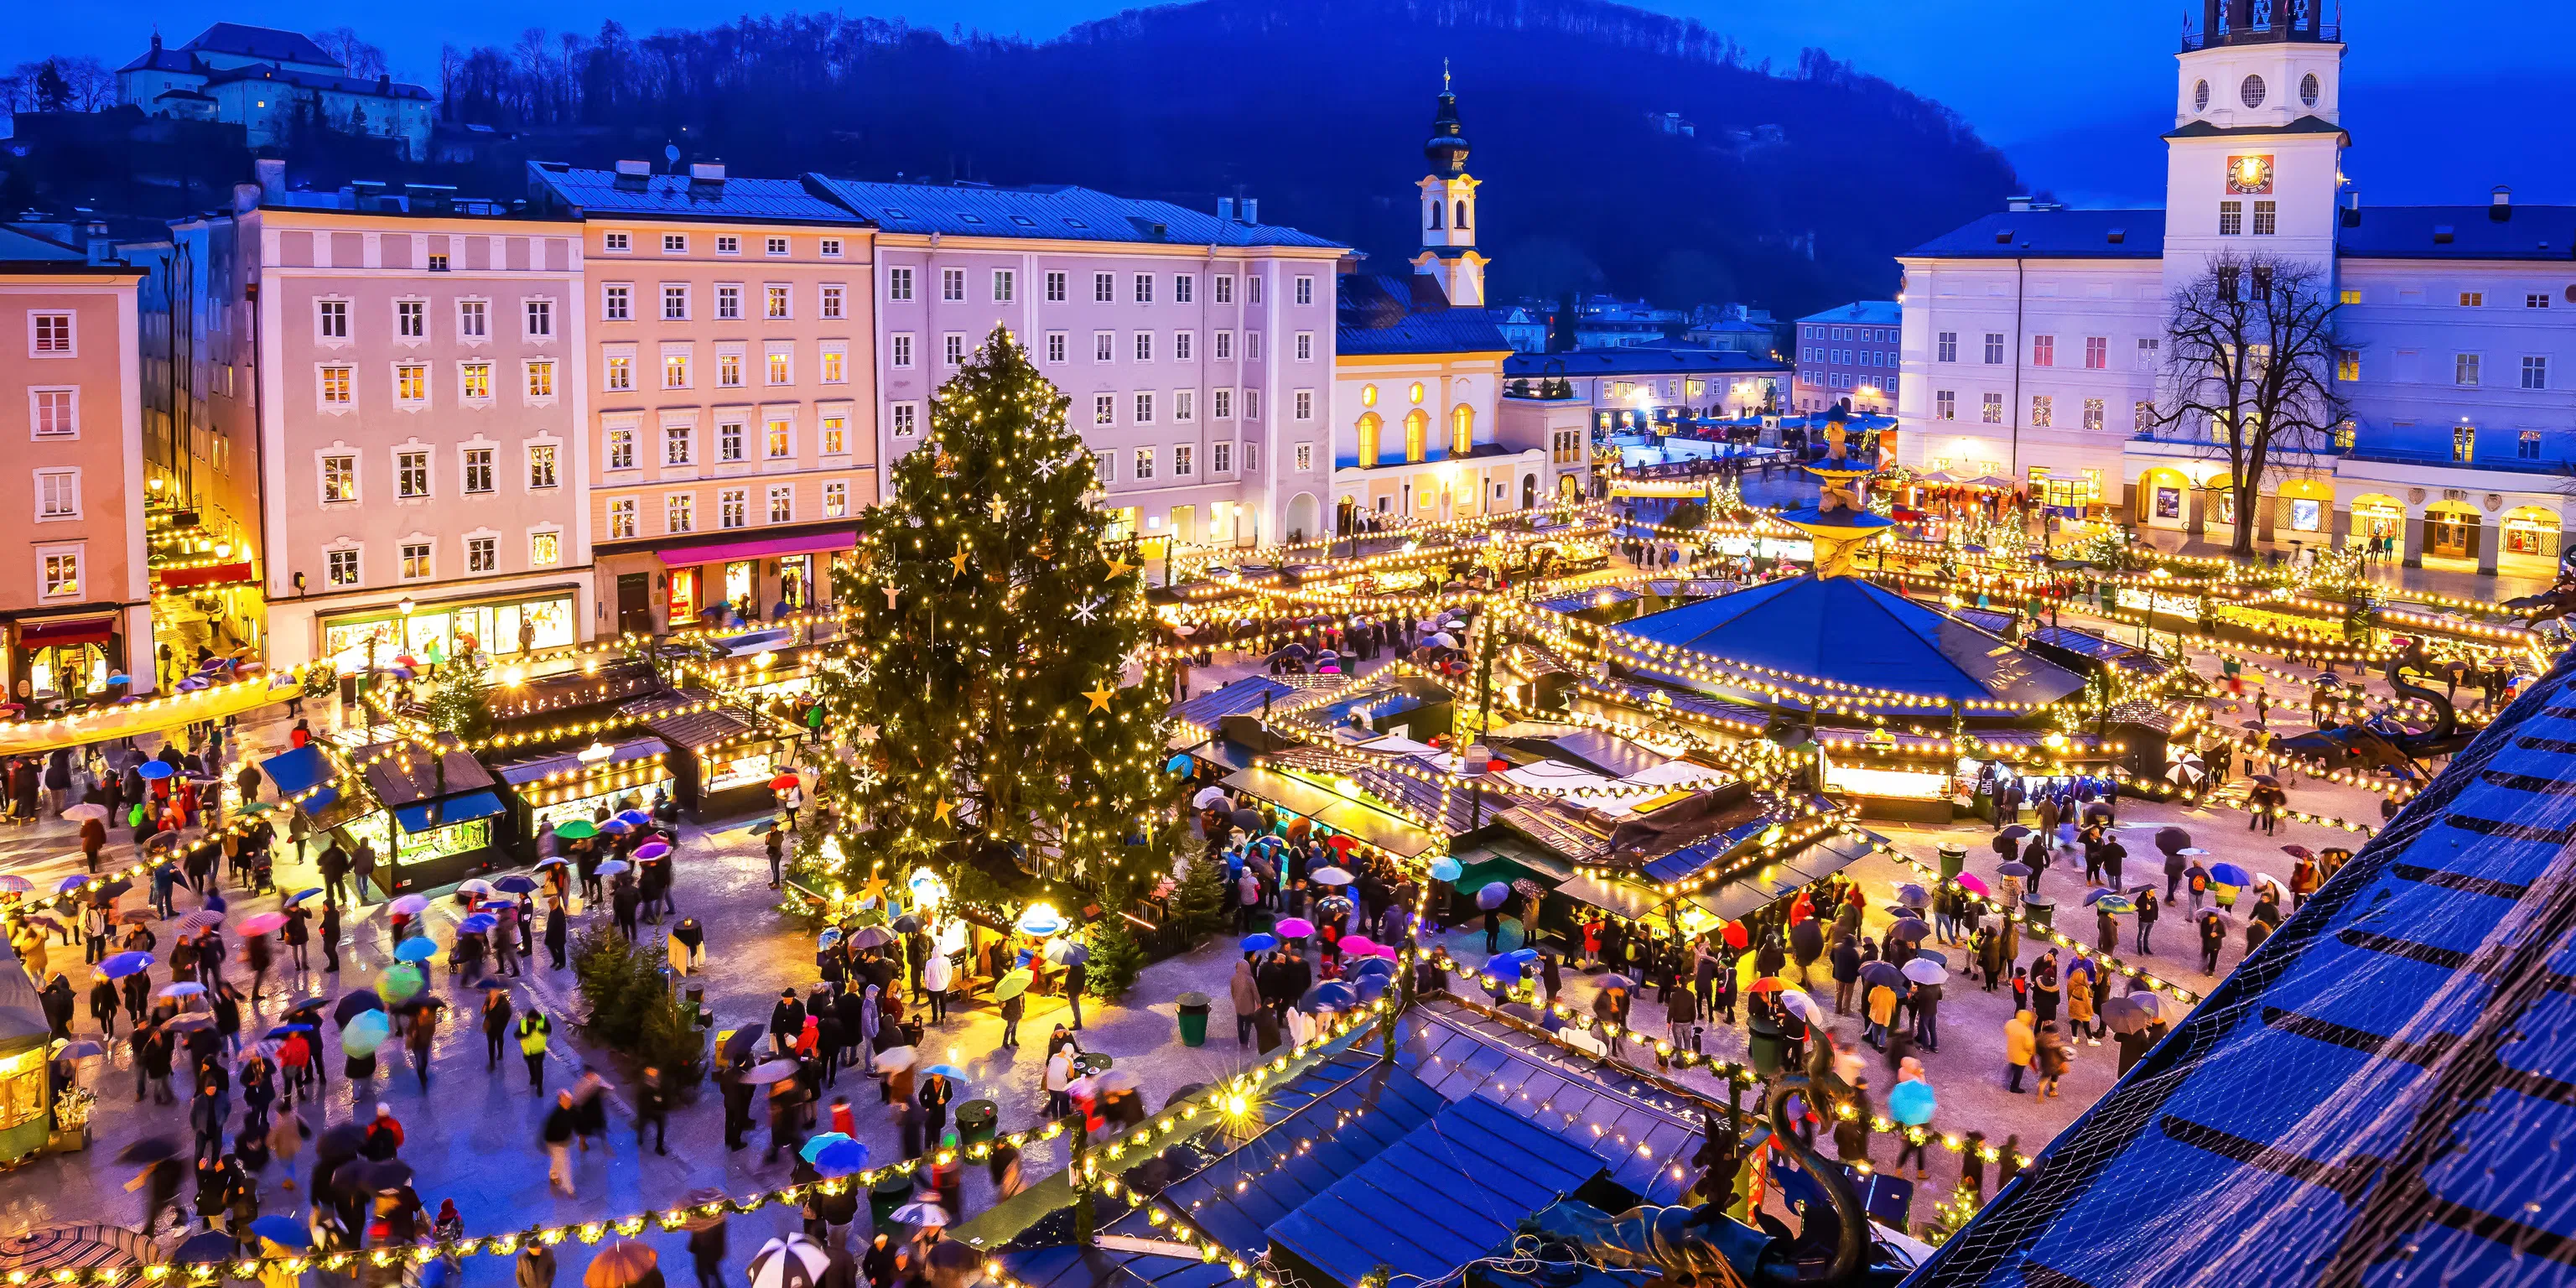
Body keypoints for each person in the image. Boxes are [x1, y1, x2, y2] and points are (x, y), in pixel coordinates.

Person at [543, 1090, 579, 1196]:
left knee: (558, 1162)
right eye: (567, 1100)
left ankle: (553, 1175)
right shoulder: (556, 1116)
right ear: (561, 1101)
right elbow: (549, 1132)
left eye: (570, 1100)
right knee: (565, 1165)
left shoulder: (569, 1110)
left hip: (561, 1142)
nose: (569, 1102)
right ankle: (570, 1190)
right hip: (557, 1144)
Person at [1229, 958, 1260, 1048]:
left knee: (1240, 1021)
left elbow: (1232, 991)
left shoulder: (1234, 978)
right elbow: (1255, 992)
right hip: (1248, 1006)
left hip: (1238, 1005)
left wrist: (1235, 999)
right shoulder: (1249, 979)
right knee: (1248, 1023)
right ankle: (1246, 1040)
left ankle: (1241, 1039)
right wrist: (1259, 1002)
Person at [2004, 1009, 2036, 1093]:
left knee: (2013, 1064)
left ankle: (2008, 1074)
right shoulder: (2027, 1032)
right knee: (2019, 1071)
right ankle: (2014, 1087)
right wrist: (2032, 1053)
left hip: (2012, 1050)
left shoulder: (2011, 1023)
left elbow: (2006, 1029)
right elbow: (2029, 1046)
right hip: (2021, 1056)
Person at [517, 1010, 552, 1088]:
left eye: (532, 1019)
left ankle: (539, 1087)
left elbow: (549, 1030)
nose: (530, 1020)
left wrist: (540, 1030)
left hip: (539, 1050)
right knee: (531, 1066)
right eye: (529, 1019)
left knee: (539, 1068)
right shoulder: (523, 1022)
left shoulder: (543, 1019)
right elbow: (517, 1034)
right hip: (528, 1050)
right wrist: (525, 1035)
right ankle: (533, 1078)